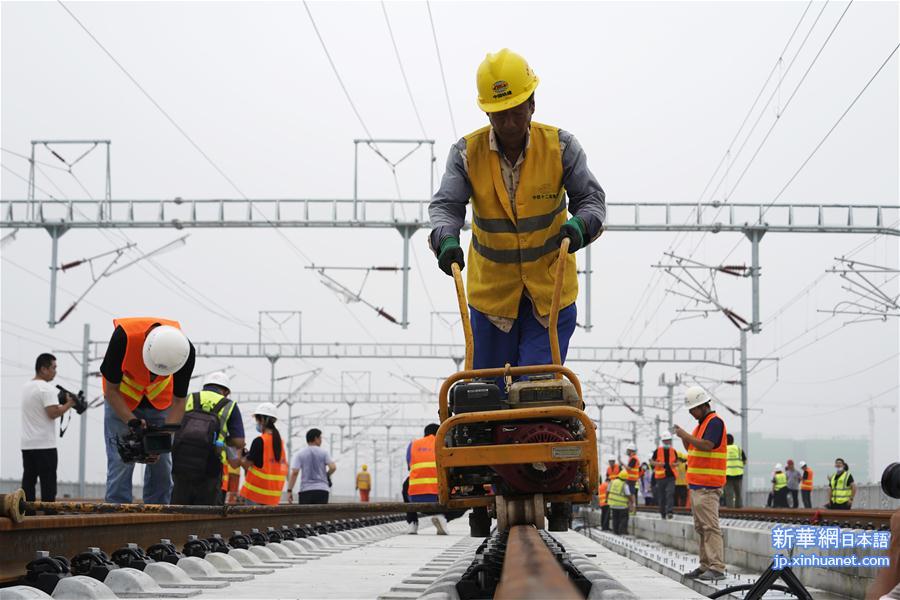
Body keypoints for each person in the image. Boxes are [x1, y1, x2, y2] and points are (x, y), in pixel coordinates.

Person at [428, 49, 606, 389]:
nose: (508, 123)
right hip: (491, 300)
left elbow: (591, 199)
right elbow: (446, 206)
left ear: (532, 105)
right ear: (486, 112)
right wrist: (445, 238)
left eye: (515, 112)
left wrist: (581, 225)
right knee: (487, 395)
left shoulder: (562, 148)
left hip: (549, 295)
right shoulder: (466, 154)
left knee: (534, 394)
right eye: (498, 114)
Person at [100, 318, 195, 504]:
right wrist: (132, 422)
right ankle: (117, 515)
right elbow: (111, 390)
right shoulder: (123, 339)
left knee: (163, 466)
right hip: (122, 401)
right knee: (121, 461)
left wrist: (162, 438)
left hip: (160, 403)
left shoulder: (185, 351)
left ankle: (157, 515)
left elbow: (179, 401)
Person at [674, 386, 727, 582]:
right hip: (697, 486)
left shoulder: (714, 423)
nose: (691, 413)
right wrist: (684, 437)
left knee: (710, 527)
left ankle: (716, 567)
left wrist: (685, 435)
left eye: (693, 409)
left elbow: (707, 445)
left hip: (708, 486)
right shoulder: (702, 424)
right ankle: (705, 565)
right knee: (701, 528)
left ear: (703, 406)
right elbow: (693, 447)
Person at [171, 372, 243, 505]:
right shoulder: (229, 405)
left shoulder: (189, 398)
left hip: (181, 461)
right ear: (226, 391)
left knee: (178, 508)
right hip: (211, 465)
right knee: (207, 512)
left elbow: (172, 423)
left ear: (205, 386)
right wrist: (225, 439)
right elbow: (239, 442)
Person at [20, 353, 75, 507]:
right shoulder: (46, 388)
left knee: (28, 480)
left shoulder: (26, 387)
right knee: (48, 483)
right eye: (53, 367)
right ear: (43, 369)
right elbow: (53, 413)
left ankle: (27, 512)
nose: (55, 371)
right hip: (45, 444)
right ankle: (49, 512)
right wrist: (69, 404)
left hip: (27, 444)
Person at [406, 424, 465, 535]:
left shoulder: (413, 445)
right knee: (467, 496)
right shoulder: (446, 444)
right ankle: (443, 517)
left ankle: (412, 523)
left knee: (406, 484)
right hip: (443, 499)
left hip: (416, 499)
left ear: (425, 434)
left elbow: (409, 467)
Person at [239, 403, 288, 505]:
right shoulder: (280, 442)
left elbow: (246, 465)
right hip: (273, 498)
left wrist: (241, 455)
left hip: (255, 495)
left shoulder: (260, 441)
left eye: (257, 419)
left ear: (262, 419)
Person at [287, 428, 336, 505]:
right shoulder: (324, 452)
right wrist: (327, 474)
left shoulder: (300, 453)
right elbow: (333, 467)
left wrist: (289, 490)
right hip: (322, 490)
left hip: (306, 490)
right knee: (320, 516)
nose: (321, 440)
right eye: (320, 438)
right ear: (316, 438)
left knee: (305, 516)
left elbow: (295, 473)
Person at [650, 433, 677, 519]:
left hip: (671, 476)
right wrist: (659, 464)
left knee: (670, 493)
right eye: (665, 440)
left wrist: (675, 464)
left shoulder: (673, 451)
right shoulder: (657, 451)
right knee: (661, 496)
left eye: (668, 440)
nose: (667, 442)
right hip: (660, 477)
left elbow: (677, 462)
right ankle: (662, 512)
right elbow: (651, 462)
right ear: (663, 441)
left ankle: (669, 511)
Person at [724, 433, 746, 508]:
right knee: (738, 493)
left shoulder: (724, 449)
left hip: (727, 475)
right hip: (738, 474)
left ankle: (730, 509)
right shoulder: (738, 449)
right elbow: (744, 461)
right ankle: (739, 508)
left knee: (729, 493)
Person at [607, 471, 633, 535]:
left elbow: (607, 491)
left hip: (613, 505)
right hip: (622, 505)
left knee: (615, 518)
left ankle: (615, 531)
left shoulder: (612, 482)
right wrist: (632, 501)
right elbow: (628, 494)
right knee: (624, 518)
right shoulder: (624, 484)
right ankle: (622, 532)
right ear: (625, 478)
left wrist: (607, 499)